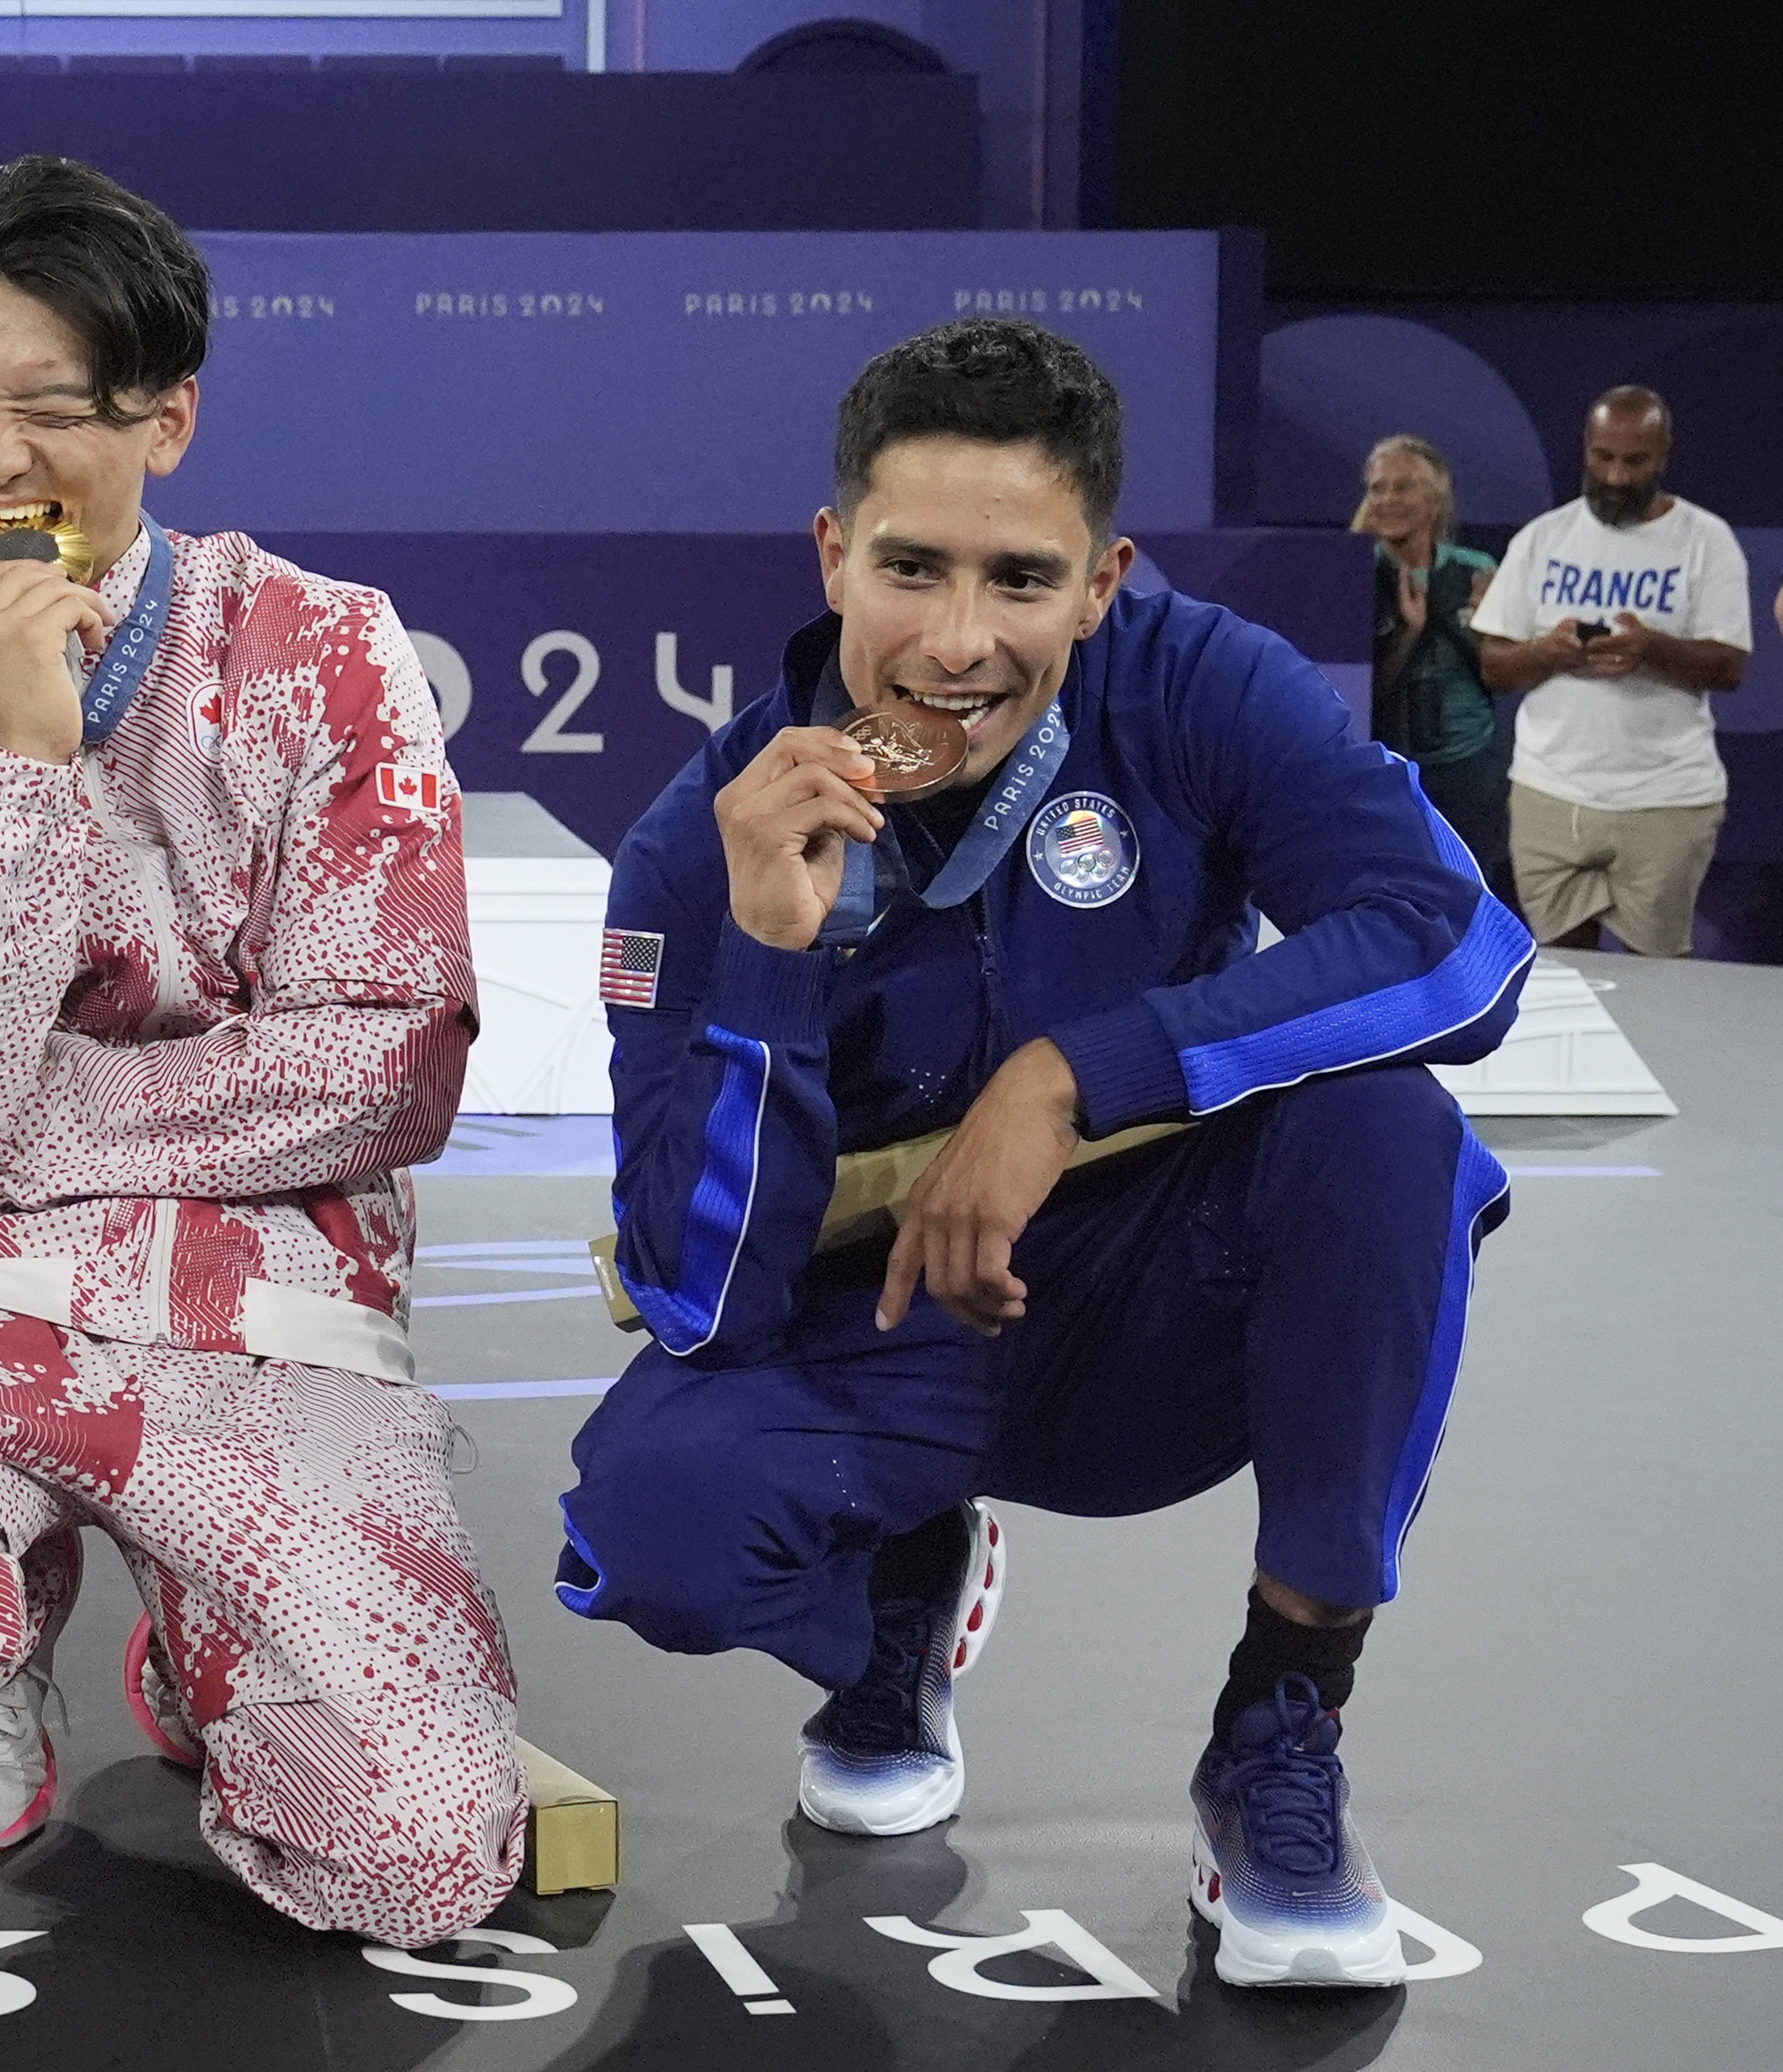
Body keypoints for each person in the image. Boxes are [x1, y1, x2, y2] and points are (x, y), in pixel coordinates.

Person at [553, 317, 1532, 1989]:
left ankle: (1278, 1723)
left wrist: (1076, 1072)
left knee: (1390, 1130)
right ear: (830, 555)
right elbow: (690, 1292)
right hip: (878, 1338)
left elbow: (1456, 951)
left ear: (1102, 580)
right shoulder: (697, 841)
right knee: (655, 1520)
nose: (955, 641)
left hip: (1155, 1305)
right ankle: (893, 1585)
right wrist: (769, 959)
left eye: (1020, 581)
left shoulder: (1194, 680)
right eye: (910, 569)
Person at [0, 156, 518, 1948]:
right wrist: (18, 751)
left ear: (168, 417)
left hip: (255, 1317)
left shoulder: (324, 653)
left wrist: (7, 1143)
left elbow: (387, 1064)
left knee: (423, 1861)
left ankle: (209, 1638)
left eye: (54, 410)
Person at [1472, 385, 1751, 955]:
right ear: (1586, 450)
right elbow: (1495, 667)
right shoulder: (1542, 540)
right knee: (1560, 973)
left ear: (1663, 455)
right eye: (1603, 457)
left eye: (1635, 460)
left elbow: (1729, 667)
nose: (1617, 477)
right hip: (1550, 793)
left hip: (1666, 798)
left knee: (1660, 983)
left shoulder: (1706, 540)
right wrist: (1548, 654)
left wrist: (1650, 647)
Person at [1355, 434, 1510, 892]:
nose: (1388, 500)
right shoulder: (1353, 573)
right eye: (1377, 489)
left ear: (1437, 499)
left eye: (1403, 487)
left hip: (1469, 768)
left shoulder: (1476, 570)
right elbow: (1355, 691)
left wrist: (1484, 629)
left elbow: (1499, 675)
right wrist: (1410, 633)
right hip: (1388, 767)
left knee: (1469, 895)